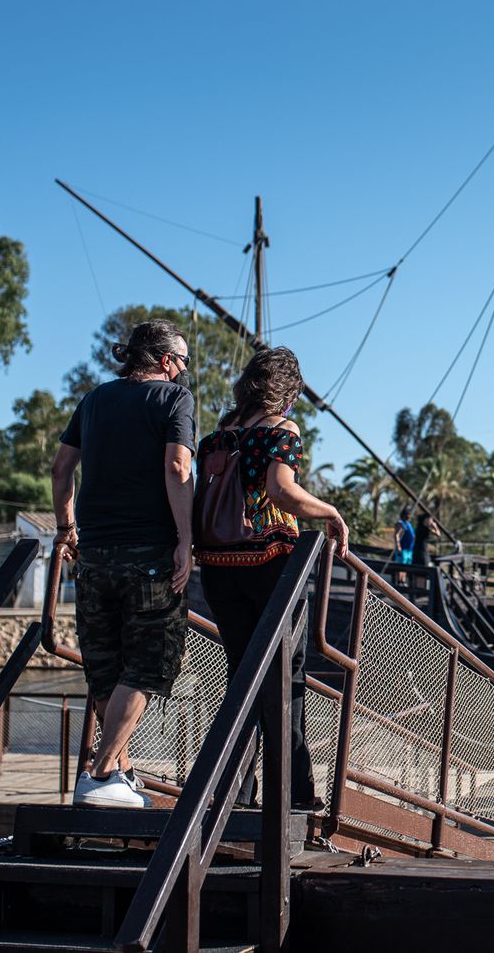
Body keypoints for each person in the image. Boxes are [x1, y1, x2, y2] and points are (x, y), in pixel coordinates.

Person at [194, 347, 349, 811]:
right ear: (289, 393)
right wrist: (330, 512)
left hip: (218, 567)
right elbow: (282, 491)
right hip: (271, 565)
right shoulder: (281, 431)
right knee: (286, 678)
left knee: (242, 676)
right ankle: (294, 795)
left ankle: (236, 793)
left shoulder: (216, 439)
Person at [52, 319, 196, 809]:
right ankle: (99, 772)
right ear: (165, 360)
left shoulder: (94, 400)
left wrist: (66, 528)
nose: (183, 371)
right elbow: (178, 467)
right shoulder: (174, 399)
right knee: (150, 661)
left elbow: (61, 468)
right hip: (149, 553)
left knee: (106, 665)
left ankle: (120, 773)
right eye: (182, 361)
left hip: (93, 554)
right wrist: (185, 539)